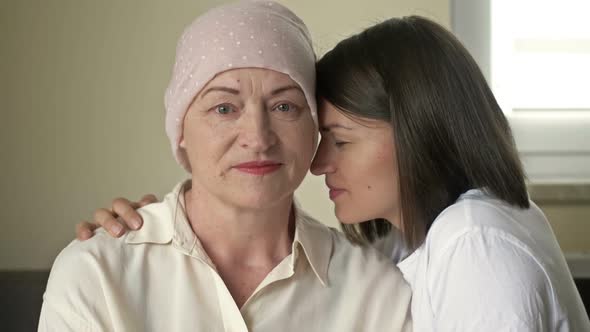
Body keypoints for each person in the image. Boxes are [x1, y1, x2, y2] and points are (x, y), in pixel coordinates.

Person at [82, 14, 590, 331]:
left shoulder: (474, 243)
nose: (320, 162)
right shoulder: (410, 246)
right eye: (223, 109)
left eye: (341, 141)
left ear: (419, 133)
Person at [39, 2, 413, 331]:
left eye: (284, 107)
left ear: (314, 128)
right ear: (180, 127)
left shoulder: (377, 290)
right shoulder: (96, 272)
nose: (257, 137)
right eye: (224, 108)